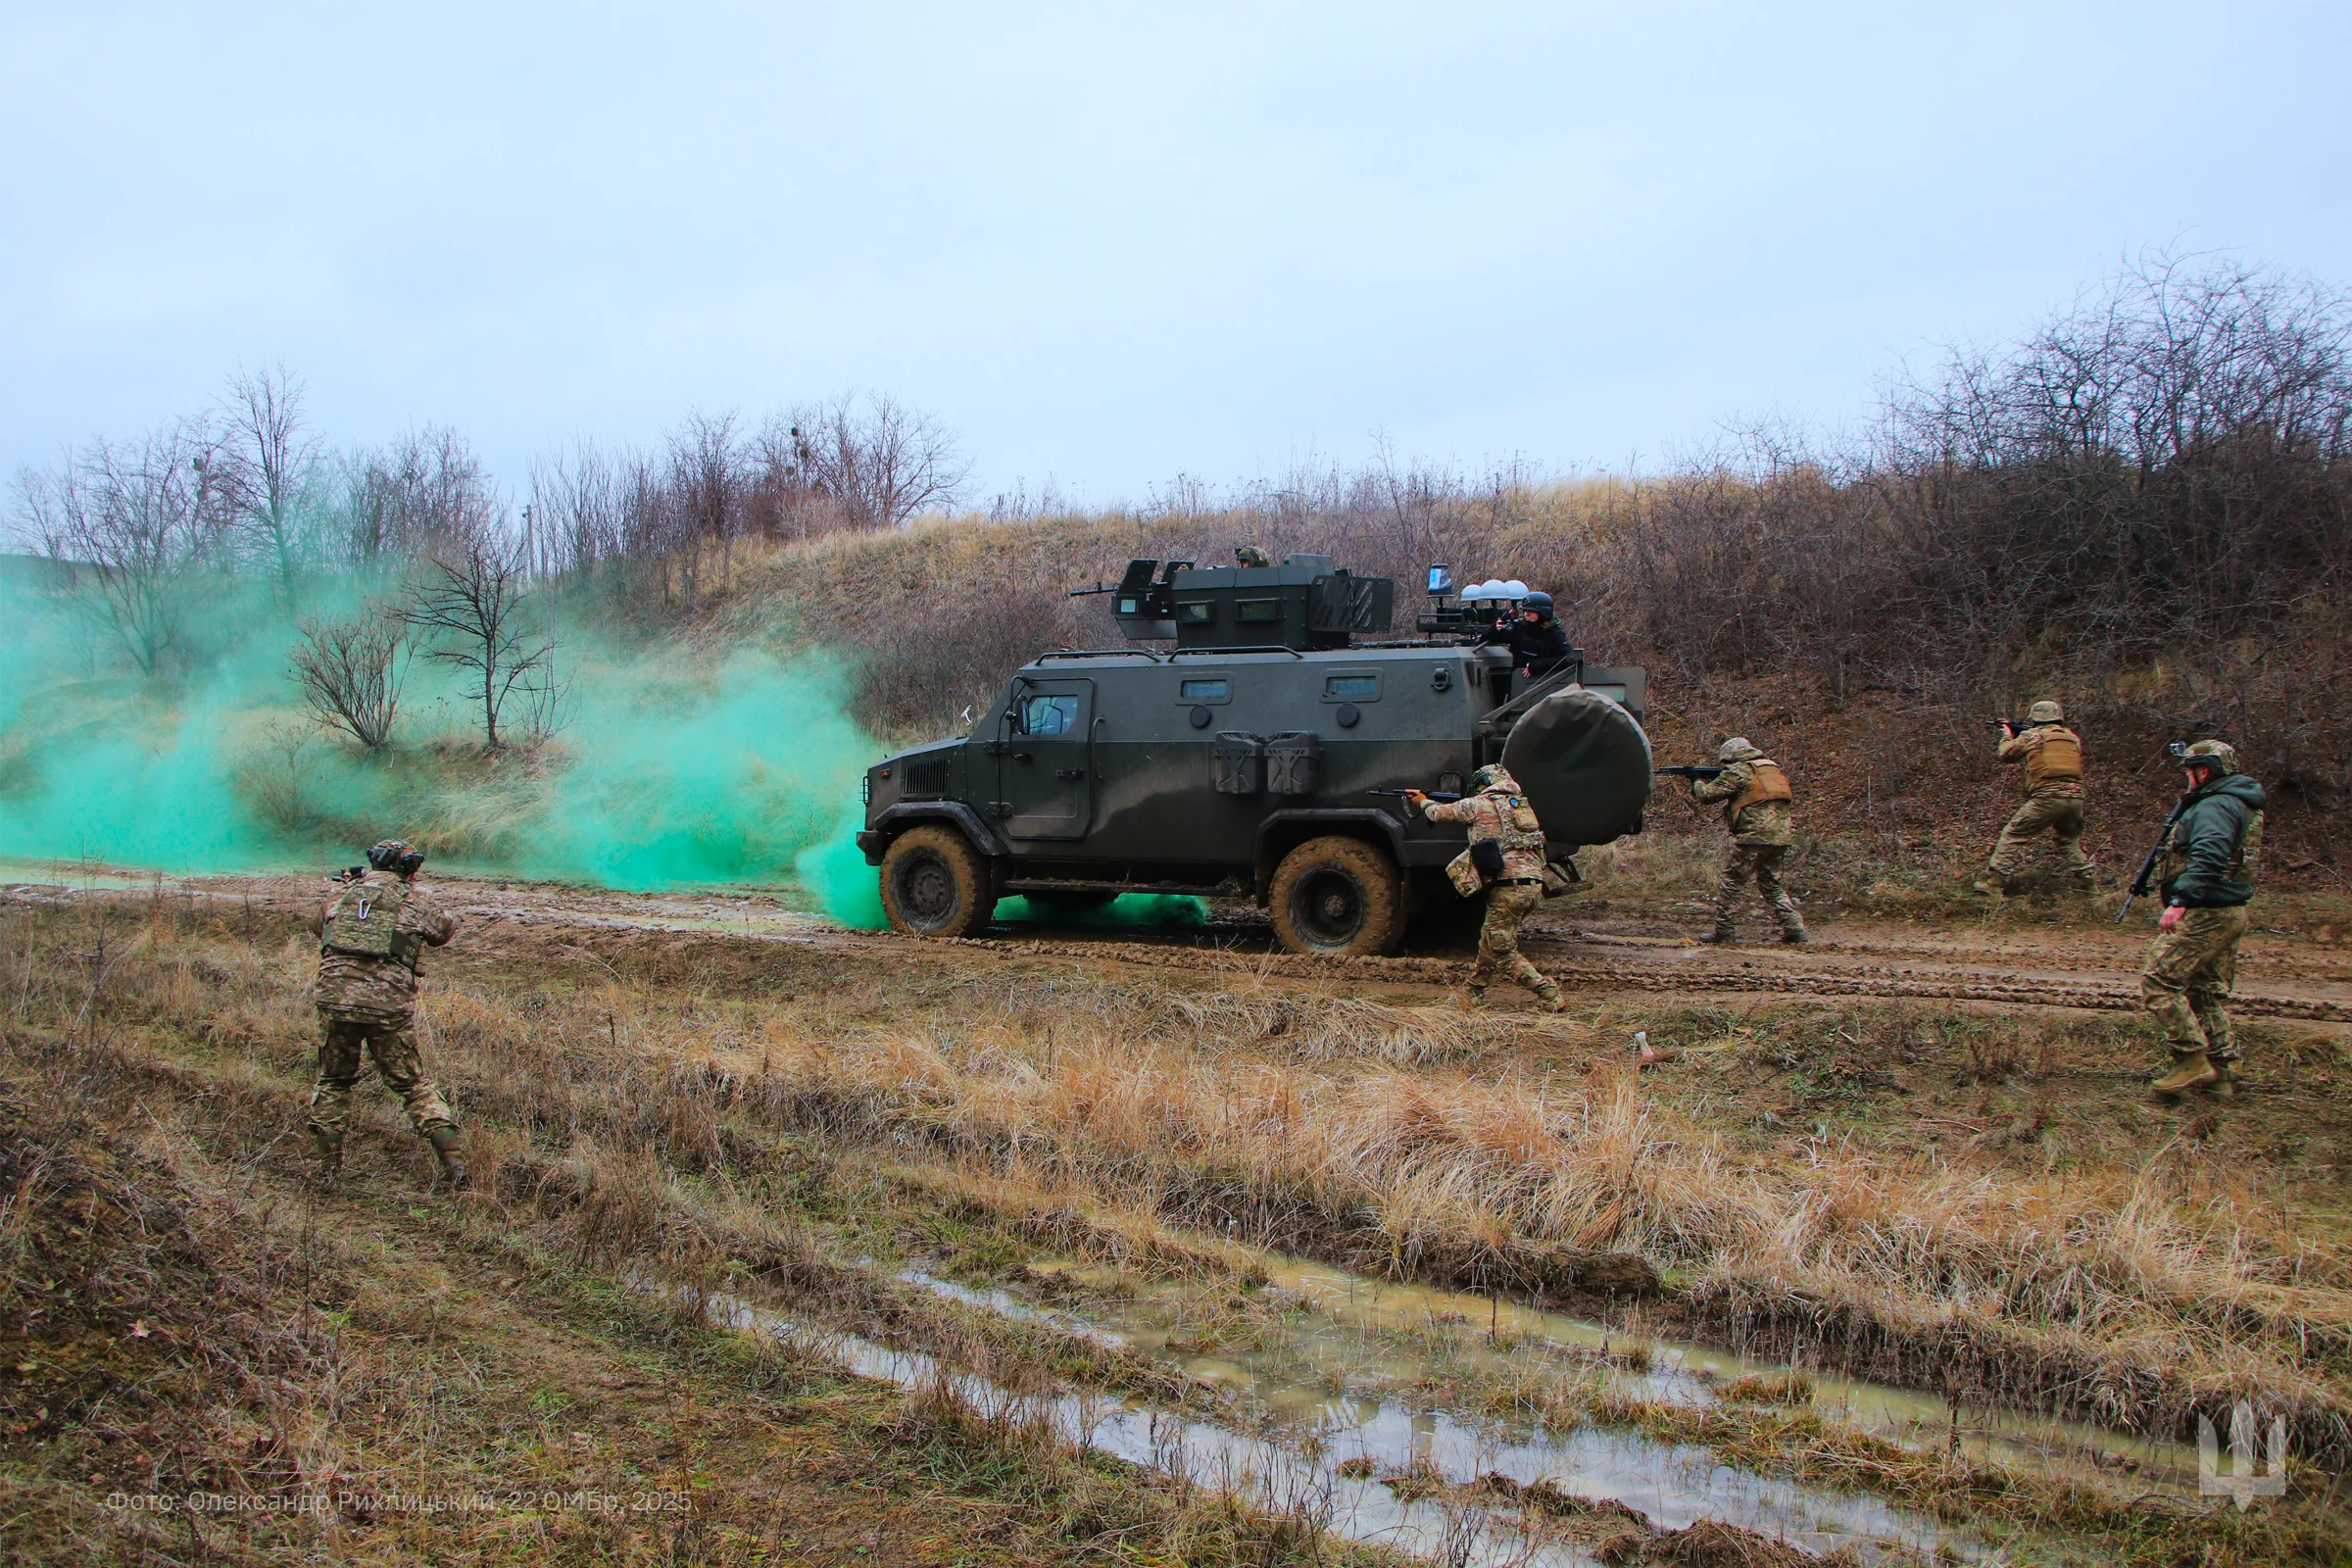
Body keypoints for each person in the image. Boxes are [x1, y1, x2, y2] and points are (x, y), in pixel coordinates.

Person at [310, 840, 466, 1186]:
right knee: (412, 1084)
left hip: (335, 999)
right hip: (387, 1005)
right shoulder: (416, 898)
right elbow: (443, 932)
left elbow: (319, 926)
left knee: (334, 1082)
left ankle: (328, 1171)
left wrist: (351, 888)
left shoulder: (342, 894)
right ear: (410, 869)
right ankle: (454, 1162)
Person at [2143, 741, 2266, 1102]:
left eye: (2189, 771)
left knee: (2159, 979)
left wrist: (2181, 900)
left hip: (2207, 911)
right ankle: (2219, 1073)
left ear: (2204, 771)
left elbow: (2210, 854)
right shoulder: (2240, 801)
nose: (2187, 778)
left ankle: (2191, 1059)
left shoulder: (2215, 805)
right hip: (2229, 909)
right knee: (2203, 990)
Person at [1405, 764, 1567, 1011]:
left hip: (1508, 887)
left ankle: (1547, 992)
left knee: (1502, 950)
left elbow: (1439, 814)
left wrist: (1422, 801)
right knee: (1491, 939)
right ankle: (1474, 991)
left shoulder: (1479, 804)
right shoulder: (1520, 806)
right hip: (1532, 884)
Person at [1685, 738, 1807, 945]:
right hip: (1781, 835)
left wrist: (1695, 780)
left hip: (1753, 835)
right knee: (1771, 883)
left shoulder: (1739, 770)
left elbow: (1707, 796)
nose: (1725, 766)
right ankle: (1794, 928)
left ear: (1731, 756)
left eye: (1726, 762)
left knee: (1731, 882)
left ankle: (1724, 931)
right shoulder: (1770, 769)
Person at [1975, 700, 2094, 897]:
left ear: (2035, 718)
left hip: (2048, 796)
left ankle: (1994, 883)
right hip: (2075, 797)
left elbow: (2007, 755)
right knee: (2068, 840)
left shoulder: (2032, 735)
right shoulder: (2072, 738)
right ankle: (2089, 883)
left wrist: (2007, 735)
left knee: (2014, 834)